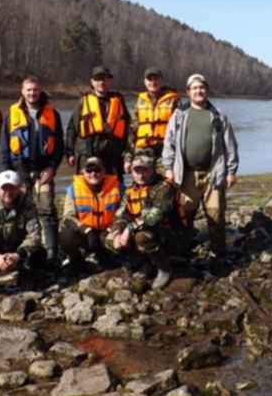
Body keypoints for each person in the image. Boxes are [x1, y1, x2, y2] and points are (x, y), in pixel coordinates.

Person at [161, 73, 239, 274]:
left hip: (214, 173)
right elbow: (168, 144)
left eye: (202, 87)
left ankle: (218, 255)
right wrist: (168, 168)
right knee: (184, 214)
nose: (198, 91)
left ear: (206, 89)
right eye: (194, 88)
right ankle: (183, 253)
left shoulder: (218, 116)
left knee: (215, 214)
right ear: (188, 92)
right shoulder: (179, 115)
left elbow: (230, 145)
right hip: (187, 174)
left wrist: (231, 171)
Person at [0, 76, 64, 265]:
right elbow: (4, 147)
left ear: (40, 90)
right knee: (21, 212)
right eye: (28, 90)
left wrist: (52, 168)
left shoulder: (53, 114)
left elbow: (59, 145)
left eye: (35, 90)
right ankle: (23, 252)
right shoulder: (12, 115)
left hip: (43, 171)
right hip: (19, 172)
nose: (32, 93)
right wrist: (6, 174)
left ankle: (52, 252)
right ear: (22, 91)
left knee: (47, 209)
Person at [109, 152, 176, 289]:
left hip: (166, 234)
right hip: (139, 229)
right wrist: (117, 232)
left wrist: (128, 229)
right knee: (109, 238)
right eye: (136, 171)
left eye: (144, 170)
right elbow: (121, 214)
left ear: (152, 170)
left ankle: (164, 268)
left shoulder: (164, 188)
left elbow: (154, 217)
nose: (140, 175)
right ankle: (141, 262)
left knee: (141, 237)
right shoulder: (129, 190)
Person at [59, 157, 124, 274]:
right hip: (86, 233)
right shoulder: (73, 189)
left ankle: (109, 256)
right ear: (83, 172)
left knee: (121, 241)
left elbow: (124, 213)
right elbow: (68, 217)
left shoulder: (118, 187)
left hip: (108, 231)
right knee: (65, 234)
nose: (93, 174)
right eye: (89, 170)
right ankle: (77, 260)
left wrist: (113, 228)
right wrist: (87, 230)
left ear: (104, 172)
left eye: (97, 170)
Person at [65, 66, 130, 174]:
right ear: (92, 82)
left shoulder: (119, 102)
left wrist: (128, 156)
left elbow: (128, 130)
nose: (101, 82)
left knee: (114, 188)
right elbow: (72, 129)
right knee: (84, 188)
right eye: (97, 79)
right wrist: (70, 153)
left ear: (110, 81)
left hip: (112, 157)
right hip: (87, 154)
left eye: (105, 79)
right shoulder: (83, 102)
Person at [124, 67, 180, 173]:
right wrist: (128, 158)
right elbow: (132, 131)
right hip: (142, 151)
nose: (153, 82)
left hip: (165, 151)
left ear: (161, 81)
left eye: (156, 79)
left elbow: (180, 131)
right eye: (150, 79)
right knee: (140, 183)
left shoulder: (174, 101)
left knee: (166, 184)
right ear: (145, 82)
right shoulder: (139, 101)